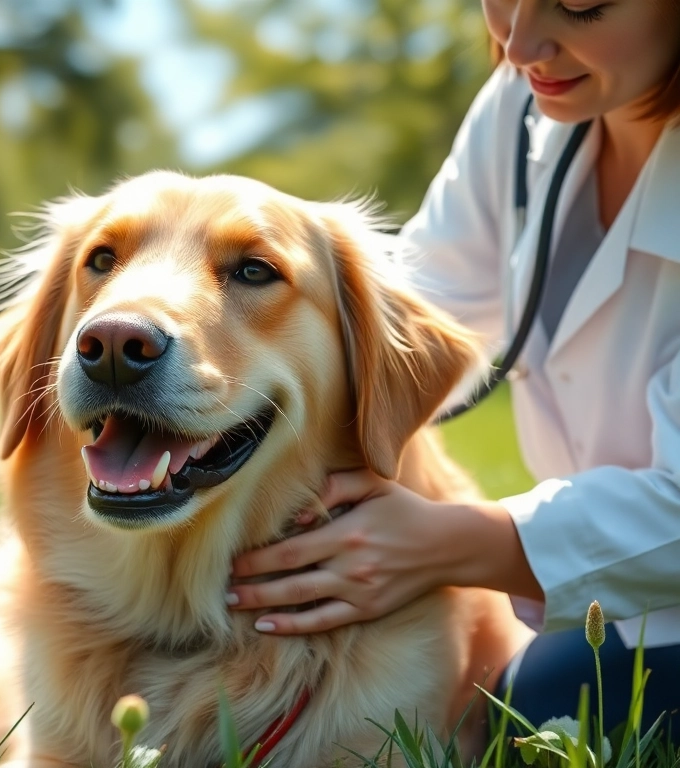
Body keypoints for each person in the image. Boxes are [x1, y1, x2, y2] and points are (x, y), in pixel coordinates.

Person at [224, 0, 680, 730]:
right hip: (616, 610)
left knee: (533, 715)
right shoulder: (526, 104)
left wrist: (454, 544)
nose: (519, 42)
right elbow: (413, 316)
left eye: (582, 4)